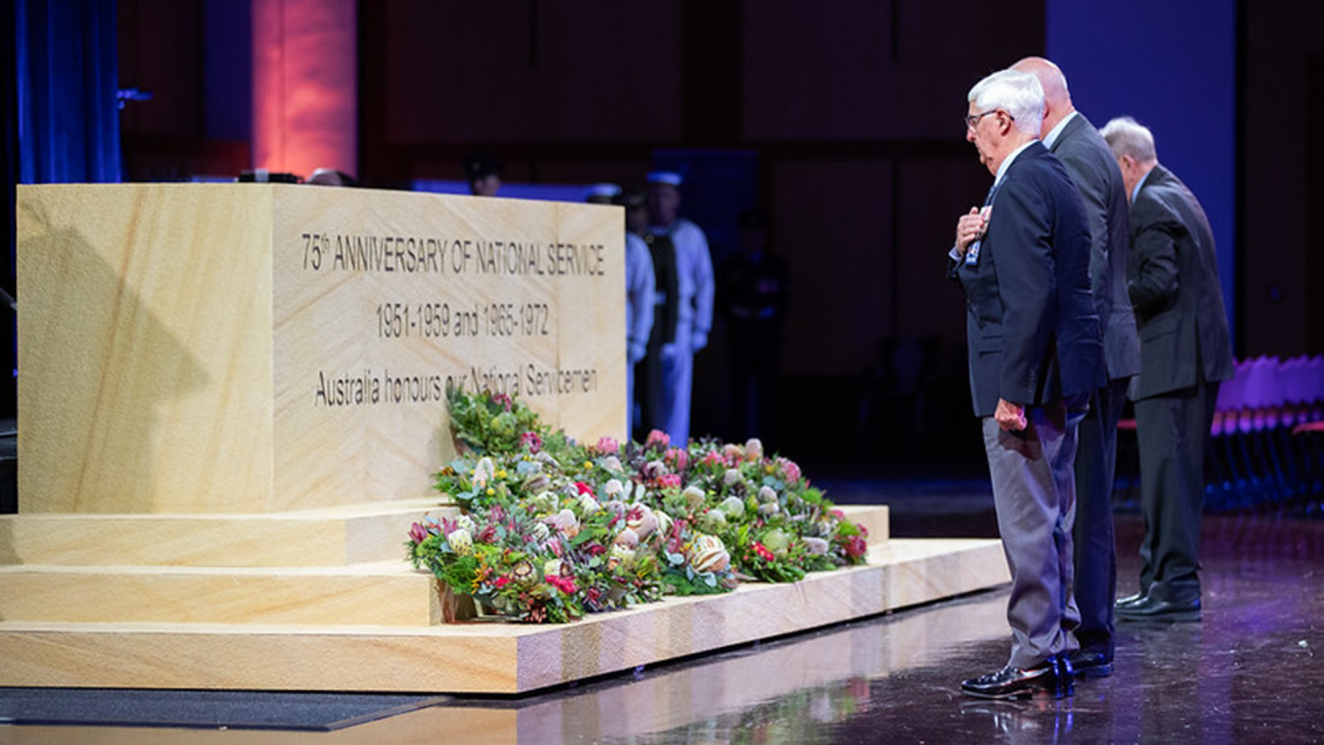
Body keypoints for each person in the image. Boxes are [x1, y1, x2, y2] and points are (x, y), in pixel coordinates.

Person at [949, 69, 1104, 699]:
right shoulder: (1050, 175)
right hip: (1060, 374)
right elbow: (1015, 282)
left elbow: (1030, 297)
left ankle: (1034, 653)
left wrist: (1013, 390)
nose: (969, 136)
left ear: (1002, 121)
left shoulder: (1018, 185)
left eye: (974, 122)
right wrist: (963, 252)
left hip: (1029, 382)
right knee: (1054, 514)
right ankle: (1056, 641)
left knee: (1028, 520)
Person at [1012, 57, 1140, 678]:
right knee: (1082, 498)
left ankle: (1090, 631)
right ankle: (1088, 626)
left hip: (1091, 353)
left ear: (1041, 101)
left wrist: (1063, 352)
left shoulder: (1078, 153)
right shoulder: (1082, 146)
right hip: (1097, 348)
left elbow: (1084, 261)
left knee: (1084, 501)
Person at [1100, 117, 1235, 623]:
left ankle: (1174, 585)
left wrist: (1109, 296)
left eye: (1110, 173)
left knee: (1169, 479)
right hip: (1182, 360)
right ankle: (1159, 579)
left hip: (1173, 362)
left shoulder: (1152, 202)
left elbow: (1157, 282)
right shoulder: (1174, 192)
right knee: (1167, 477)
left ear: (1126, 163)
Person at [644, 170, 714, 445]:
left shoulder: (689, 234)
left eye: (666, 195)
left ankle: (676, 448)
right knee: (649, 391)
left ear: (676, 199)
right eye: (655, 195)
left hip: (682, 319)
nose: (660, 201)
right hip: (649, 317)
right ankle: (650, 448)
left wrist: (702, 327)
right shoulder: (643, 233)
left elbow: (705, 282)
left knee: (677, 393)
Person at [587, 184, 655, 436]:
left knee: (619, 403)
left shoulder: (631, 246)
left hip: (620, 337)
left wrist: (639, 338)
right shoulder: (578, 241)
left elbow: (643, 296)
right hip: (587, 337)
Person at [718, 209, 789, 443]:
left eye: (757, 232)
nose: (753, 237)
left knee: (768, 392)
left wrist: (766, 314)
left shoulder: (775, 265)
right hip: (740, 335)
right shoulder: (732, 266)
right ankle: (736, 445)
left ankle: (771, 444)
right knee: (737, 392)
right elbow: (723, 301)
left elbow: (783, 301)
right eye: (748, 232)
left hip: (766, 337)